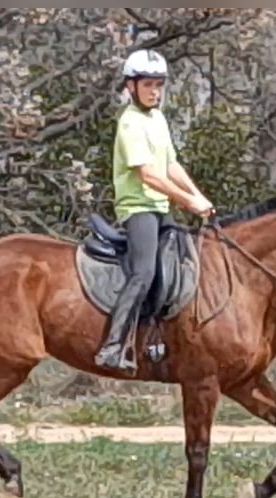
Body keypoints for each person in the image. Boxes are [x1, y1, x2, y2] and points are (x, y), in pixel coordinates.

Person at [94, 48, 215, 373]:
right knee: (144, 271)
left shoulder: (157, 118)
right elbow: (148, 173)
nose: (155, 91)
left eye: (159, 85)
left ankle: (161, 336)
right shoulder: (130, 124)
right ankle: (113, 345)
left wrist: (198, 195)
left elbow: (170, 164)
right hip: (138, 209)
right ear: (131, 86)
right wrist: (186, 201)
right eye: (148, 85)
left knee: (179, 265)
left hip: (160, 208)